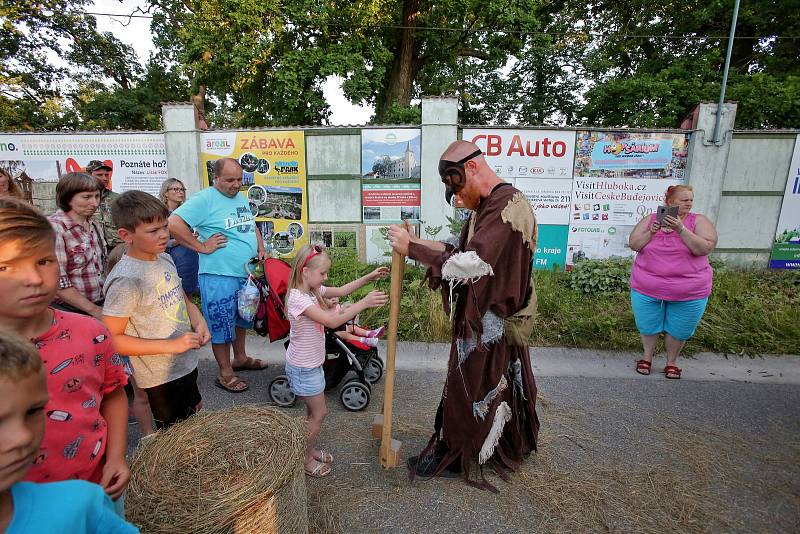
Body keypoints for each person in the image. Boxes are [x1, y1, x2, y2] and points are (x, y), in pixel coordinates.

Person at [388, 140, 540, 488]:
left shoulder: (506, 204)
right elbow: (458, 251)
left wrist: (412, 250)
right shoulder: (488, 207)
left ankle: (459, 453)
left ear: (472, 167)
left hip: (491, 325)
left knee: (471, 388)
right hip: (483, 320)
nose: (457, 197)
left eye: (457, 185)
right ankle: (486, 444)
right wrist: (417, 243)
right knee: (471, 385)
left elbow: (475, 264)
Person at [0, 197, 130, 506]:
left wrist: (116, 456)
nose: (33, 279)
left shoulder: (91, 333)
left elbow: (113, 393)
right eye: (5, 266)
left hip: (95, 486)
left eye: (44, 261)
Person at [0, 331, 139, 534]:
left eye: (34, 411)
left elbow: (114, 394)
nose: (24, 436)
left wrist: (116, 457)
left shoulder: (81, 508)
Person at [103, 191, 211, 430]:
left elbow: (182, 297)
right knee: (174, 435)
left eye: (164, 226)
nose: (164, 235)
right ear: (126, 235)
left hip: (185, 363)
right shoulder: (125, 280)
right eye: (153, 231)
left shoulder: (164, 258)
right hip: (159, 376)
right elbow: (113, 339)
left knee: (195, 411)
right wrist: (170, 346)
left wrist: (198, 320)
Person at [285, 244, 388, 478]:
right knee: (319, 414)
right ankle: (303, 458)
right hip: (304, 367)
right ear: (305, 271)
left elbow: (341, 291)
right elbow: (331, 322)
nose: (326, 278)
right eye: (322, 273)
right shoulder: (299, 298)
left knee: (312, 413)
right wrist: (363, 303)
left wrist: (369, 277)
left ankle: (307, 449)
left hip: (310, 364)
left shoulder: (312, 291)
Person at [169, 158, 267, 393]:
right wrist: (201, 247)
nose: (236, 185)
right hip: (218, 275)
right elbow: (173, 223)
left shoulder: (239, 197)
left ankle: (240, 358)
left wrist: (260, 246)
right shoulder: (205, 199)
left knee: (242, 317)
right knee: (221, 324)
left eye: (239, 180)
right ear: (216, 178)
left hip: (245, 274)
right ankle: (225, 373)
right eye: (230, 180)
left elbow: (250, 225)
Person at [628, 184, 717, 379]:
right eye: (684, 199)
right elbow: (634, 244)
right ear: (670, 202)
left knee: (680, 328)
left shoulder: (698, 221)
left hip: (689, 290)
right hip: (647, 287)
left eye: (691, 199)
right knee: (647, 324)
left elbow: (704, 249)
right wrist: (651, 232)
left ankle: (671, 362)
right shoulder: (651, 220)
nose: (689, 203)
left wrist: (681, 229)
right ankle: (647, 357)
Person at [105, 243, 154, 438]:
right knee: (141, 394)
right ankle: (148, 434)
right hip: (133, 353)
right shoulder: (121, 289)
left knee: (152, 393)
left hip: (149, 349)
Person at [48, 172, 107, 319]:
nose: (94, 203)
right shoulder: (55, 228)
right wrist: (94, 310)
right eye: (86, 197)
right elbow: (57, 282)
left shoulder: (94, 224)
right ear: (68, 198)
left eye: (97, 196)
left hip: (98, 305)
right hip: (68, 311)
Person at [159, 178, 199, 297]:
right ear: (165, 193)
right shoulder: (159, 213)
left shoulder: (186, 211)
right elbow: (157, 240)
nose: (180, 192)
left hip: (189, 258)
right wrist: (179, 240)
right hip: (170, 260)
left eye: (182, 189)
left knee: (187, 295)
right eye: (176, 189)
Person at [86, 160, 122, 252]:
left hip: (117, 249)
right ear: (89, 175)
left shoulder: (117, 199)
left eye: (106, 175)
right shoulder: (81, 200)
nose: (105, 178)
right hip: (93, 250)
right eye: (99, 175)